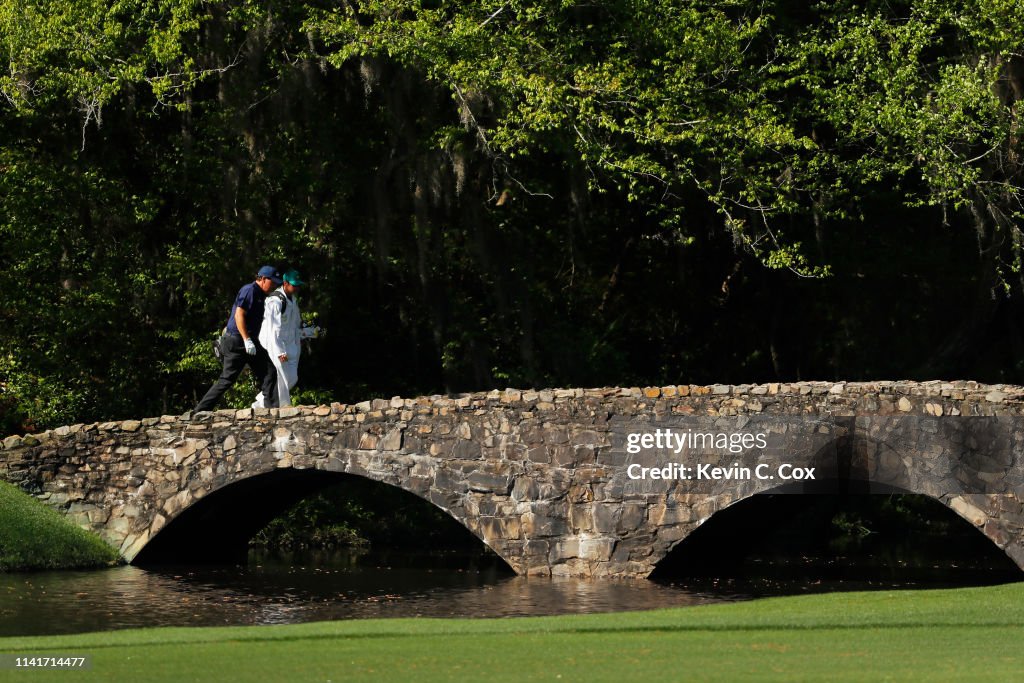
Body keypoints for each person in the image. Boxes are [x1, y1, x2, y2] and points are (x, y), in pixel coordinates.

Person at [194, 266, 282, 413]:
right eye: (272, 282)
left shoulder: (261, 294)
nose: (274, 286)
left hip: (247, 341)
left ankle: (273, 411)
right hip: (238, 341)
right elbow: (239, 315)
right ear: (262, 279)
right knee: (227, 379)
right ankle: (200, 411)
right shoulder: (250, 290)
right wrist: (247, 340)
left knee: (269, 371)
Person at [252, 268, 321, 408]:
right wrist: (278, 351)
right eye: (293, 284)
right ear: (285, 283)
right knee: (282, 378)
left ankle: (261, 401)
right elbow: (272, 329)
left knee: (292, 378)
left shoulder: (293, 301)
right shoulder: (275, 301)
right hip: (274, 344)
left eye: (297, 285)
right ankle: (281, 407)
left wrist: (309, 332)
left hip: (290, 344)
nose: (296, 287)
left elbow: (295, 326)